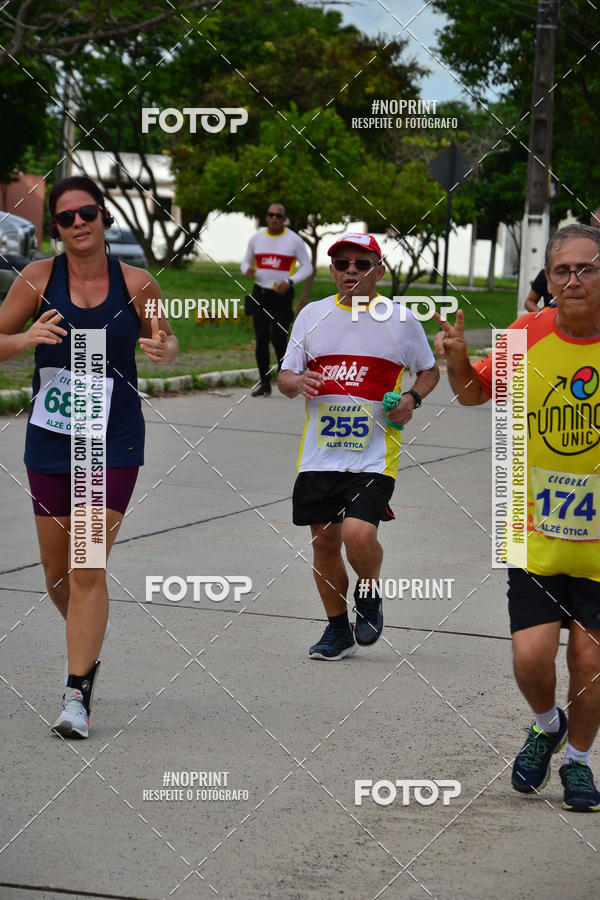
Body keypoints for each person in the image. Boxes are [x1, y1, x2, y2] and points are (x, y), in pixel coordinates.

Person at [0, 175, 178, 739]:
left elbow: (167, 342)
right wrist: (24, 342)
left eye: (88, 213)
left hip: (113, 440)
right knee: (59, 575)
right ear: (55, 227)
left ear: (104, 218)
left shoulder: (136, 282)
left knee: (86, 566)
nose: (79, 224)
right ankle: (89, 639)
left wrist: (163, 348)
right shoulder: (37, 279)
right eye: (66, 217)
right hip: (51, 438)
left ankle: (76, 694)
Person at [435, 223, 600, 812]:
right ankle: (545, 723)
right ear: (549, 280)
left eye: (587, 268)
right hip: (534, 534)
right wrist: (456, 360)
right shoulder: (526, 333)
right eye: (563, 270)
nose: (574, 279)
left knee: (589, 660)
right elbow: (474, 394)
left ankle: (578, 763)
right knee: (530, 658)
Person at [278, 232, 439, 659]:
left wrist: (412, 399)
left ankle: (368, 594)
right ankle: (337, 630)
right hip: (319, 455)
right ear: (332, 271)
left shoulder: (402, 321)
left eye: (362, 264)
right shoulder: (311, 315)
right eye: (343, 263)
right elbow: (285, 377)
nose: (352, 270)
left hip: (373, 454)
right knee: (325, 544)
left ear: (378, 271)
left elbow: (428, 371)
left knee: (358, 534)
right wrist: (299, 381)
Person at [241, 202, 312, 397]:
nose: (274, 218)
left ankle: (286, 380)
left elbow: (307, 267)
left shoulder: (294, 240)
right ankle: (264, 383)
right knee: (262, 339)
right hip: (260, 294)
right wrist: (246, 269)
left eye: (278, 216)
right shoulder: (256, 238)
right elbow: (245, 261)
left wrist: (289, 281)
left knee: (279, 339)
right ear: (266, 216)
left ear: (284, 219)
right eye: (270, 215)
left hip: (282, 297)